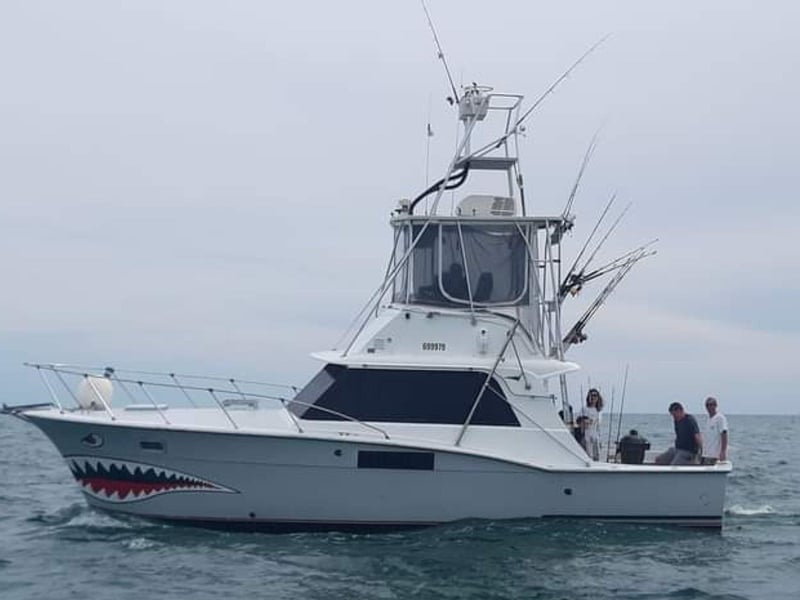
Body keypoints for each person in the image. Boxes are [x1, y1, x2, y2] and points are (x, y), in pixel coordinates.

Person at [577, 388, 603, 461]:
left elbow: (598, 426)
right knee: (589, 455)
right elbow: (578, 421)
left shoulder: (599, 411)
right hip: (586, 435)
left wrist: (600, 439)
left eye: (595, 395)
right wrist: (584, 421)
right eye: (591, 395)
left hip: (596, 435)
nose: (593, 397)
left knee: (597, 456)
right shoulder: (584, 409)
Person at [701, 396, 728, 464]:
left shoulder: (720, 418)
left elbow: (724, 434)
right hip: (706, 454)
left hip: (715, 455)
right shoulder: (708, 420)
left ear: (715, 405)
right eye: (707, 405)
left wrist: (723, 451)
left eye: (711, 405)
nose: (709, 407)